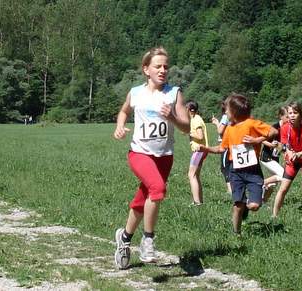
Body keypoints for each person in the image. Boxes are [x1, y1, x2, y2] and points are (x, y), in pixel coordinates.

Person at [113, 47, 190, 269]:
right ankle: (148, 241)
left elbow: (185, 127)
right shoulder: (136, 92)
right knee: (157, 189)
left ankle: (125, 238)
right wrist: (120, 126)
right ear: (146, 69)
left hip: (164, 157)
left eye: (166, 66)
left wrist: (173, 117)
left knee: (143, 199)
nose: (163, 70)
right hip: (139, 153)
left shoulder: (174, 93)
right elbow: (124, 111)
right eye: (158, 66)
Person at [197, 94, 277, 234]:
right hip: (235, 170)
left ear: (235, 111)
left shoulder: (251, 123)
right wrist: (206, 149)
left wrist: (257, 140)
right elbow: (222, 148)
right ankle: (236, 233)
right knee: (237, 204)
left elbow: (274, 131)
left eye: (227, 110)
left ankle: (247, 205)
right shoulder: (229, 129)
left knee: (254, 206)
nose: (225, 112)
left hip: (253, 170)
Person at [272, 102, 302, 223]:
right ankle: (274, 216)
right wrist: (284, 149)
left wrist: (299, 154)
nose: (292, 115)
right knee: (283, 188)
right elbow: (284, 146)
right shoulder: (285, 128)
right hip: (292, 161)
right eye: (290, 113)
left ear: (300, 114)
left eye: (295, 113)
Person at [260, 106, 288, 202]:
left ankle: (263, 202)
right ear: (281, 116)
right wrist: (271, 144)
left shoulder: (288, 129)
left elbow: (282, 146)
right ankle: (261, 183)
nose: (289, 119)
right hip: (266, 158)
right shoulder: (274, 128)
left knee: (273, 184)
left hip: (275, 158)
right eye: (287, 117)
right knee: (283, 175)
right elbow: (262, 140)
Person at [186, 100, 208, 205]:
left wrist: (189, 132)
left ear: (190, 110)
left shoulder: (196, 120)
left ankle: (196, 202)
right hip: (201, 150)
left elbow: (200, 136)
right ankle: (200, 201)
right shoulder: (195, 119)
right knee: (196, 175)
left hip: (199, 150)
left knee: (191, 175)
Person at [211, 100, 232, 194]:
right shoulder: (232, 117)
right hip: (231, 143)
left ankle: (230, 189)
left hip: (225, 144)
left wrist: (216, 123)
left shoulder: (225, 117)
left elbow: (220, 131)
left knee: (224, 167)